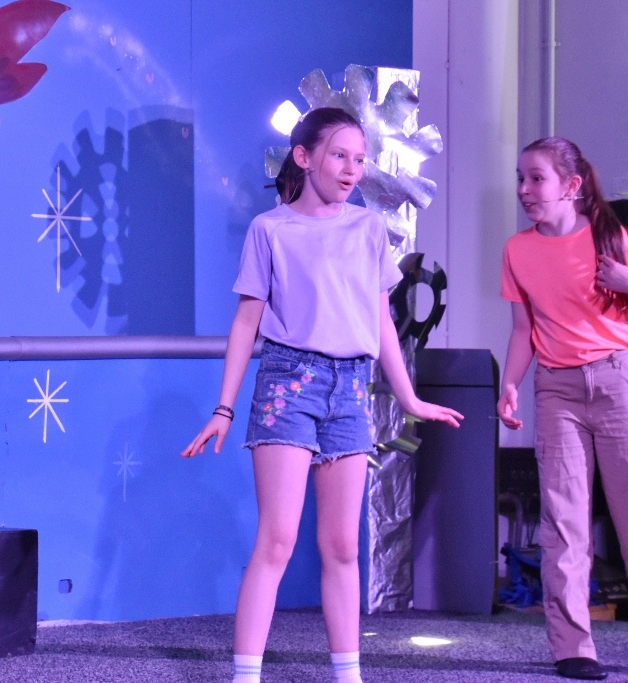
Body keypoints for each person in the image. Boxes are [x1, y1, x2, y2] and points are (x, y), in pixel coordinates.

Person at [181, 107, 463, 683]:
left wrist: (408, 398)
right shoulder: (271, 230)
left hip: (352, 389)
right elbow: (246, 322)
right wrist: (223, 407)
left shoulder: (368, 229)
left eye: (360, 159)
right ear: (304, 157)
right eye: (339, 155)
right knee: (278, 540)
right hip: (289, 383)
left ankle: (347, 675)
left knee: (341, 545)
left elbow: (380, 321)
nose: (352, 169)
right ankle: (245, 676)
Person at [497, 136, 628, 681]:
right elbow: (523, 328)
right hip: (557, 391)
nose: (525, 189)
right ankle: (572, 646)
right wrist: (509, 384)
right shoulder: (517, 250)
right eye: (521, 178)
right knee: (563, 522)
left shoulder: (607, 235)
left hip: (620, 383)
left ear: (570, 185)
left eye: (537, 178)